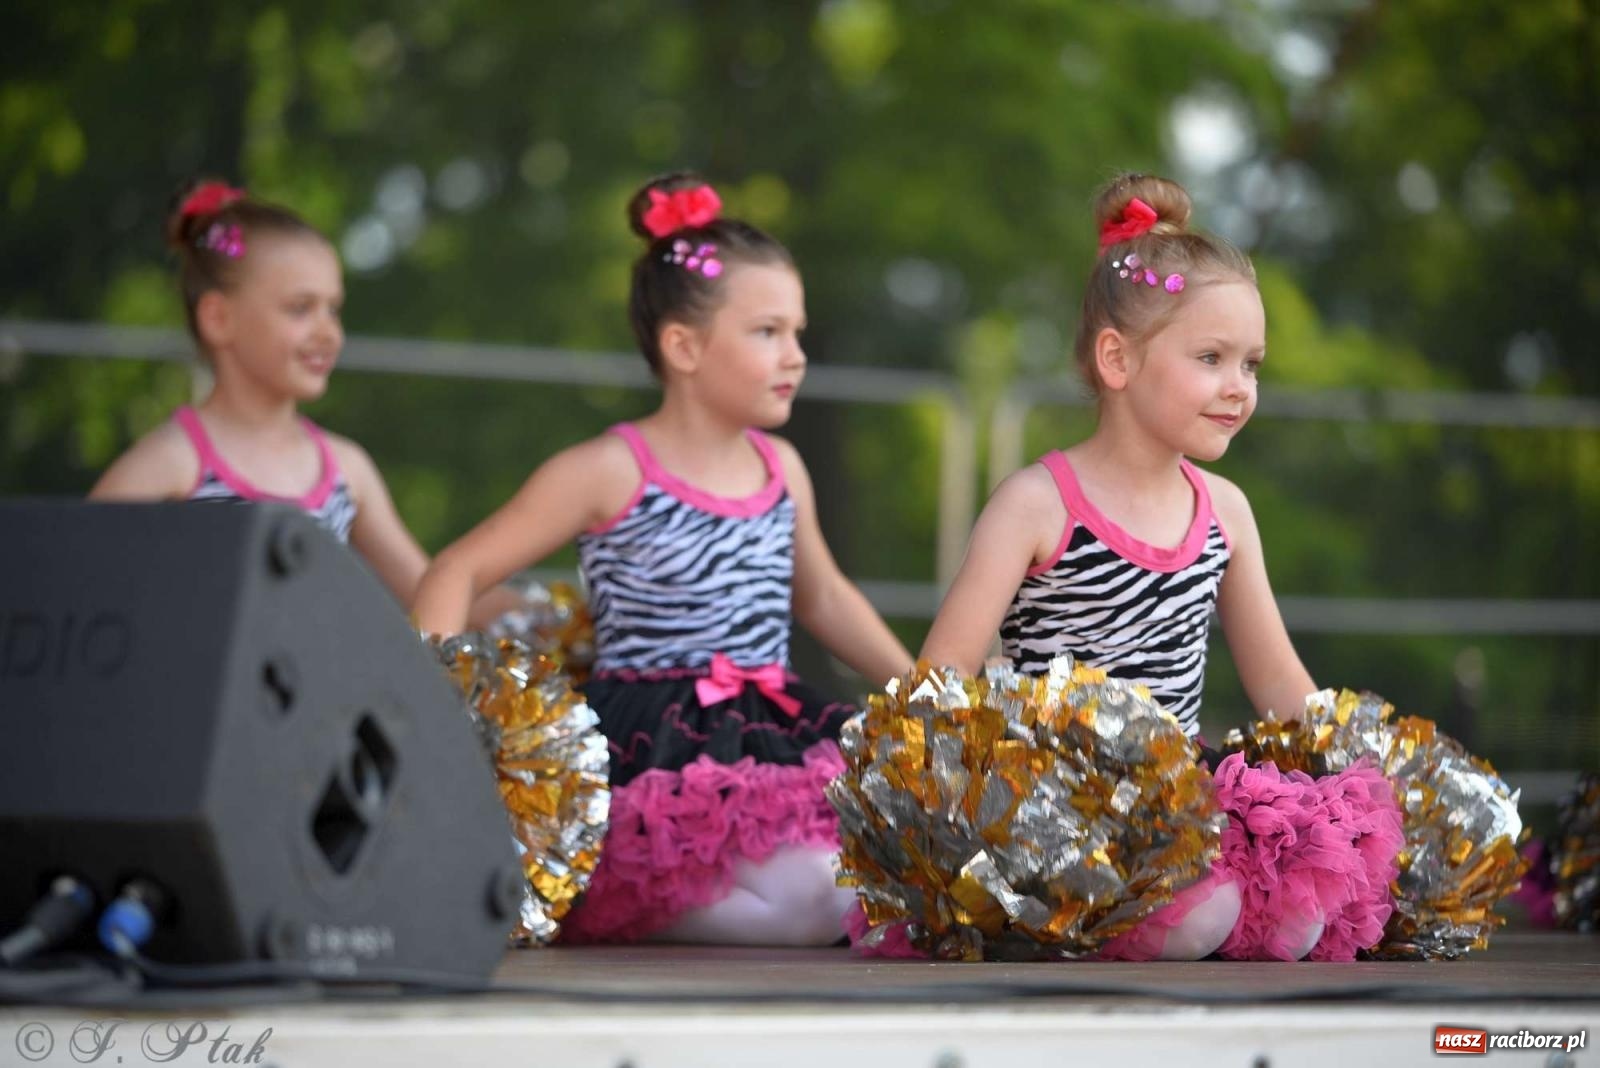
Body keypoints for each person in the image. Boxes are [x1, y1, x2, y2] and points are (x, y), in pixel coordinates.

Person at [412, 173, 913, 945]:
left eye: (798, 333)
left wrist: (926, 699)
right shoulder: (611, 469)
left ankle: (680, 910)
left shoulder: (782, 468)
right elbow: (456, 570)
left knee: (884, 875)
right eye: (767, 332)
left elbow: (824, 598)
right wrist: (433, 718)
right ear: (684, 346)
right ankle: (610, 903)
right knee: (817, 900)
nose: (795, 356)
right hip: (652, 747)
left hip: (772, 726)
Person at [920, 173, 1400, 961]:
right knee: (1209, 915)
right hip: (1060, 804)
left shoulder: (1225, 511)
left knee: (1302, 916)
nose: (1238, 389)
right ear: (1117, 358)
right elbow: (940, 676)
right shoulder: (1037, 504)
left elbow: (1281, 682)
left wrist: (1371, 780)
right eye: (1211, 358)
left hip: (1178, 798)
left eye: (1252, 364)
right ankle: (1071, 917)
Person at [90, 179, 505, 619]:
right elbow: (71, 579)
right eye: (300, 308)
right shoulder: (171, 464)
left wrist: (532, 613)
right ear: (218, 318)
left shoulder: (346, 470)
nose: (329, 333)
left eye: (333, 309)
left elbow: (428, 591)